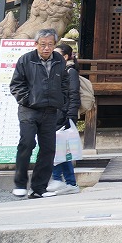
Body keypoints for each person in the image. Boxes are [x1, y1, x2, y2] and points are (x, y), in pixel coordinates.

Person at [10, 29, 69, 199]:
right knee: (26, 144)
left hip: (50, 110)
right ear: (36, 44)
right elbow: (16, 84)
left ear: (55, 45)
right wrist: (27, 100)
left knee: (48, 149)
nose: (46, 48)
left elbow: (64, 82)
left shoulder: (59, 60)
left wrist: (62, 99)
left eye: (50, 44)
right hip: (29, 110)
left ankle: (39, 188)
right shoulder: (26, 60)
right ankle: (20, 184)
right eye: (43, 44)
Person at [47, 44, 81, 194]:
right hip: (54, 114)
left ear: (65, 56)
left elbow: (74, 94)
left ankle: (60, 180)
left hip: (63, 116)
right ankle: (68, 183)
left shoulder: (70, 71)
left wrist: (70, 116)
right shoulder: (56, 71)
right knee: (60, 150)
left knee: (57, 150)